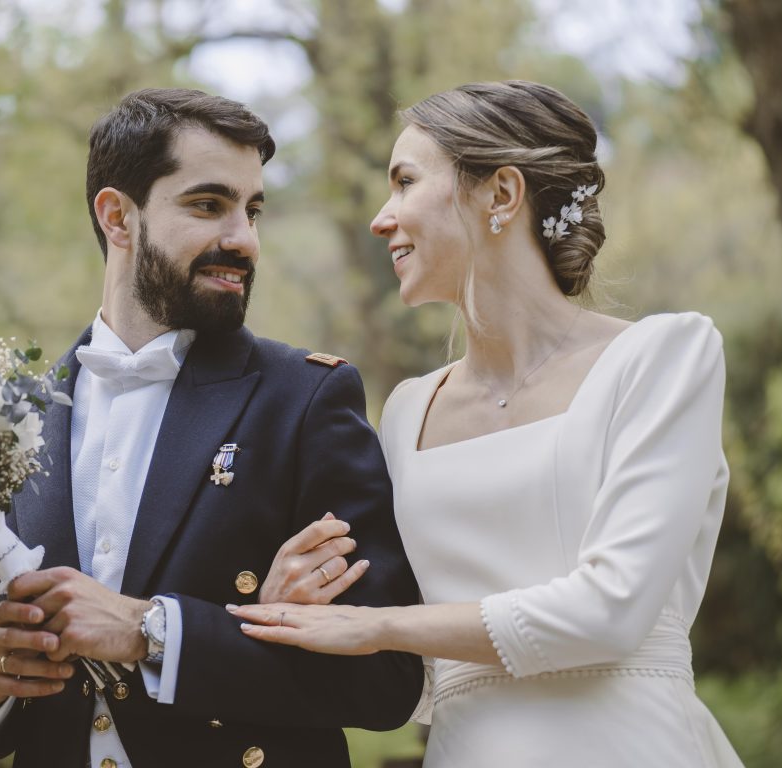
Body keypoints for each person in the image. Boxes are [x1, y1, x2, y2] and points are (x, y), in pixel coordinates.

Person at [231, 80, 744, 766]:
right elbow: (406, 679)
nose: (382, 218)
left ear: (501, 195)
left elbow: (612, 609)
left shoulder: (662, 358)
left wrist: (374, 624)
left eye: (406, 182)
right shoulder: (408, 412)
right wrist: (294, 604)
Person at [0, 88, 423, 768]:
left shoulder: (304, 401)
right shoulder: (6, 422)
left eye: (252, 210)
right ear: (118, 216)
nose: (243, 239)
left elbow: (386, 681)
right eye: (207, 205)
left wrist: (153, 633)